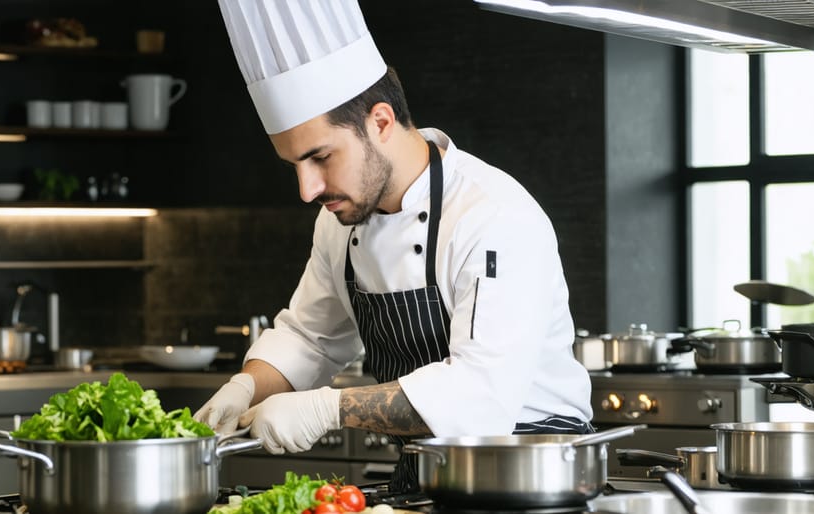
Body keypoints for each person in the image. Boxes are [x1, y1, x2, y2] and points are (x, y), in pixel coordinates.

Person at [195, 0, 593, 492]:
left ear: (380, 122)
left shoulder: (493, 216)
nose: (307, 189)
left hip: (533, 479)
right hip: (425, 479)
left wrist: (327, 408)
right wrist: (245, 386)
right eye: (294, 165)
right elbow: (309, 338)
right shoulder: (338, 221)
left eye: (320, 157)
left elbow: (482, 400)